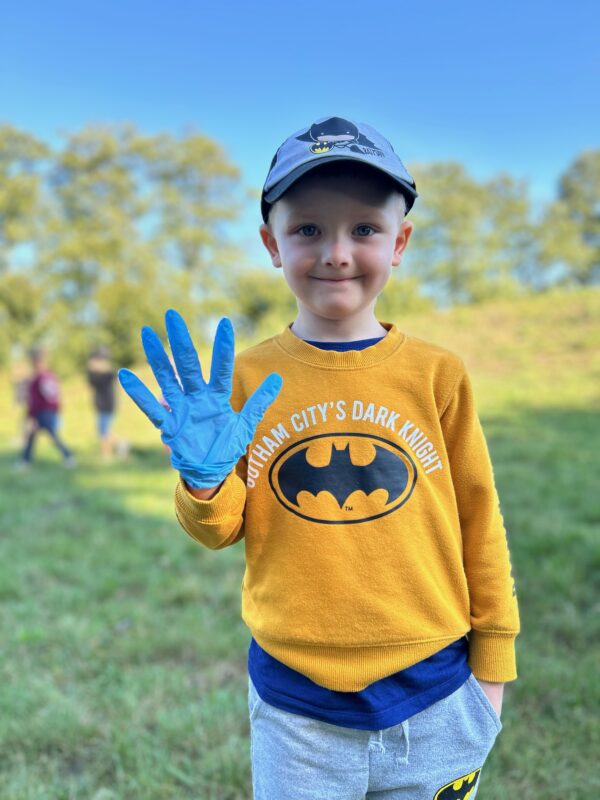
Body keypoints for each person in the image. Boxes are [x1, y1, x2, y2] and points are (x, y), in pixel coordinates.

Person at [119, 116, 520, 799]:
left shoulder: (436, 374)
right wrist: (203, 479)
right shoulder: (243, 382)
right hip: (296, 713)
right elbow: (217, 531)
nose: (336, 251)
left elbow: (480, 523)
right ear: (273, 244)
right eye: (308, 229)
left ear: (401, 242)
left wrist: (493, 672)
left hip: (437, 695)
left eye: (364, 229)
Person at [19, 346, 75, 468]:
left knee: (51, 435)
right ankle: (25, 460)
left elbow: (35, 400)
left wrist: (31, 415)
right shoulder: (50, 376)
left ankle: (68, 455)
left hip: (42, 412)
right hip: (49, 411)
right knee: (33, 435)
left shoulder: (39, 378)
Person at [86, 346, 117, 460]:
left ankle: (106, 455)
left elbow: (110, 375)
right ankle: (122, 445)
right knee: (104, 431)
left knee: (104, 432)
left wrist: (101, 367)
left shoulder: (107, 374)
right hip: (101, 405)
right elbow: (92, 380)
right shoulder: (94, 375)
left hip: (107, 405)